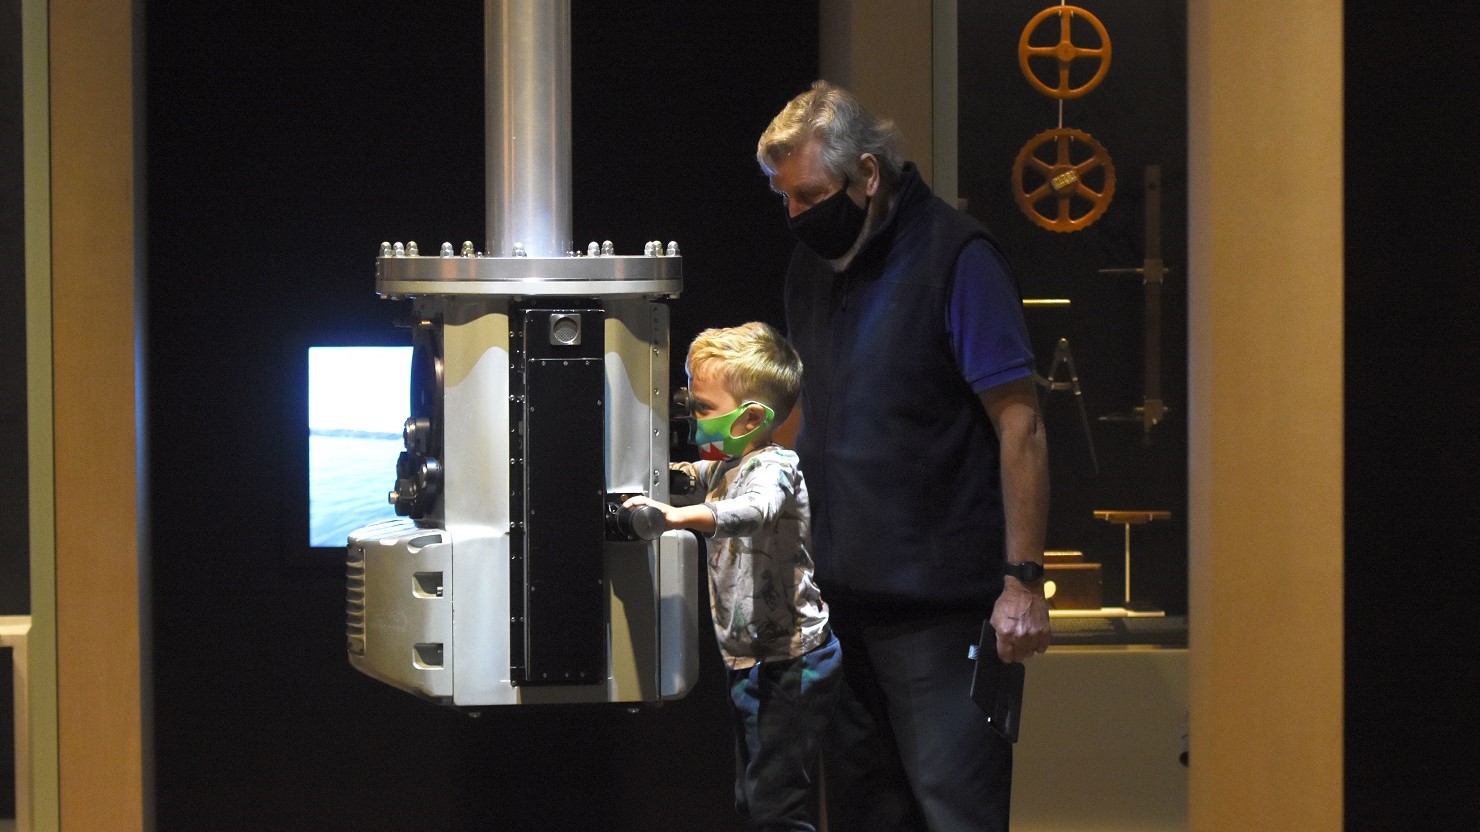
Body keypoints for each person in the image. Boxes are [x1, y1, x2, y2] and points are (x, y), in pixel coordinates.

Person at [755, 80, 1052, 831]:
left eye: (809, 196)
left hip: (941, 614)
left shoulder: (959, 257)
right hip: (837, 610)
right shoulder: (809, 270)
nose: (796, 216)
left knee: (956, 816)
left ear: (867, 176)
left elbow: (1021, 426)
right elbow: (805, 420)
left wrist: (1022, 584)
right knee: (861, 817)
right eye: (782, 199)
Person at [624, 321, 840, 832]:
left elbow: (754, 510)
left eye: (704, 408)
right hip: (751, 659)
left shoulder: (775, 467)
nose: (694, 418)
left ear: (748, 421)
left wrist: (676, 518)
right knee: (752, 796)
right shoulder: (727, 467)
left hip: (793, 662)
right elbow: (686, 476)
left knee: (777, 805)